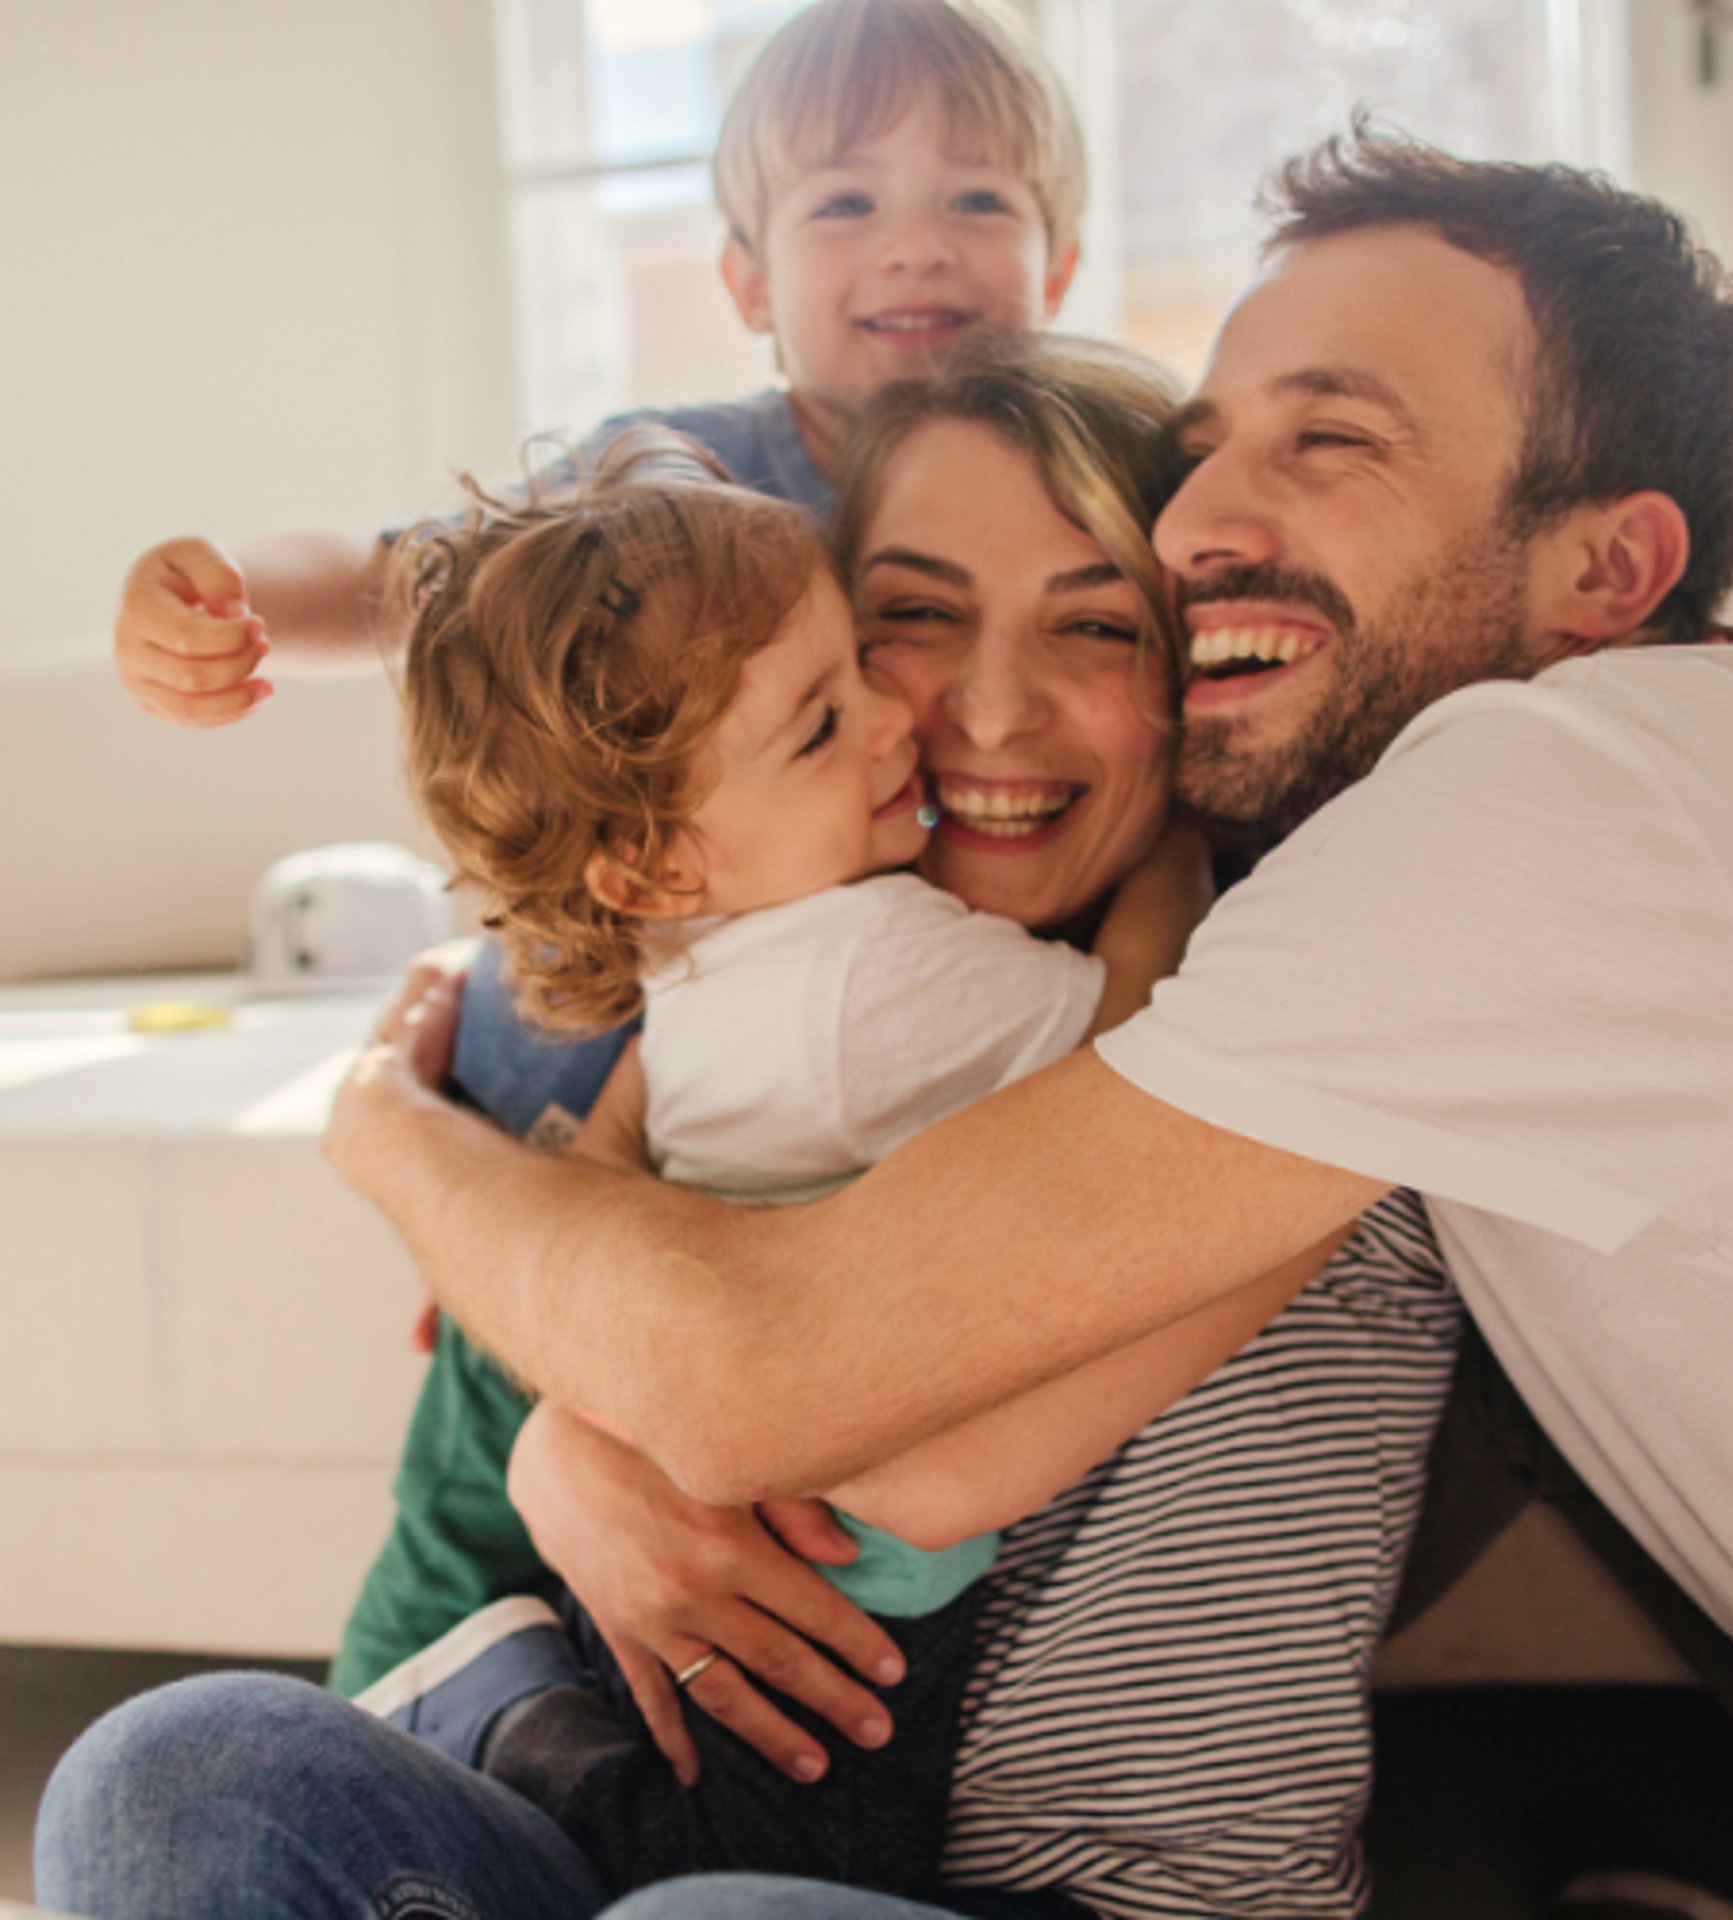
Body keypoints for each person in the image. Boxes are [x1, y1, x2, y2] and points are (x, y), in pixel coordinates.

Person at [299, 126, 1733, 1917]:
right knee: (197, 1771)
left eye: (1331, 438)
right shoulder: (1613, 808)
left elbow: (800, 1405)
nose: (1202, 523)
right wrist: (563, 1423)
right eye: (1213, 446)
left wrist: (384, 1127)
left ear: (1609, 574)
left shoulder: (1542, 807)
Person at [38, 339, 1461, 1920]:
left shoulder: (1292, 1019)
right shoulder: (764, 987)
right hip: (683, 1820)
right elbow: (602, 1258)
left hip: (1085, 1898)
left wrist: (407, 1156)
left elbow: (844, 1423)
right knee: (169, 1771)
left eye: (1100, 624)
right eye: (908, 620)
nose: (979, 710)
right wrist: (550, 1429)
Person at [106, 0, 1093, 1698]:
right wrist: (236, 601)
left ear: (1063, 262)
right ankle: (360, 1758)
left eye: (981, 202)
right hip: (548, 1140)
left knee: (665, 1609)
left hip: (786, 1186)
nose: (916, 243)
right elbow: (420, 576)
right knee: (451, 1563)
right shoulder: (671, 481)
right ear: (742, 279)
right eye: (844, 202)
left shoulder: (1070, 484)